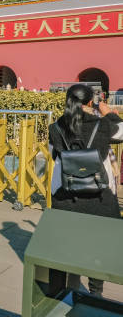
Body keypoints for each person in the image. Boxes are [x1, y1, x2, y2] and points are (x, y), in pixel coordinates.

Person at [47, 84, 123, 297]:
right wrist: (110, 114)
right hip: (98, 199)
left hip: (65, 198)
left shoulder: (56, 127)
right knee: (96, 247)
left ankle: (56, 293)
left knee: (60, 246)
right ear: (91, 102)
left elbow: (53, 156)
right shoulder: (104, 125)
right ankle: (95, 294)